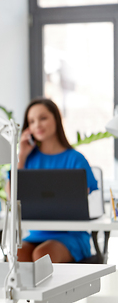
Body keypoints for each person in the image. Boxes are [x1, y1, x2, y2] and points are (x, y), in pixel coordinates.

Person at [15, 98, 98, 263]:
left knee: (42, 255)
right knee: (18, 255)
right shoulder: (28, 160)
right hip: (37, 233)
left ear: (56, 120)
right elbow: (13, 197)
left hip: (72, 234)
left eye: (43, 118)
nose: (37, 125)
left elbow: (92, 199)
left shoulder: (75, 159)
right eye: (31, 121)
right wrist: (21, 156)